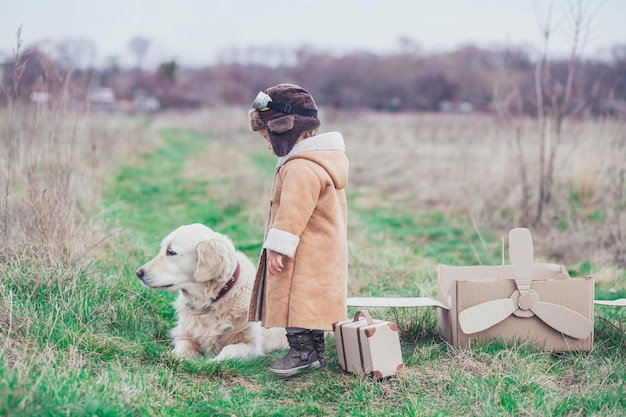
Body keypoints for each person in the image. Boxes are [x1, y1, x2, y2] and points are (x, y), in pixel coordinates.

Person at [247, 83, 349, 377]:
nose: (267, 145)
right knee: (312, 301)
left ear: (284, 129)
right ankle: (314, 353)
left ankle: (301, 353)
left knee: (297, 300)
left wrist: (278, 246)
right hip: (322, 247)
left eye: (267, 137)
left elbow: (292, 211)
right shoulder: (323, 160)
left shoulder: (300, 167)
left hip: (303, 249)